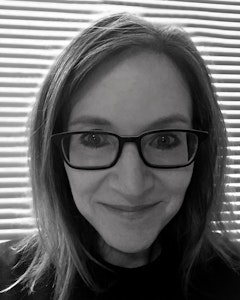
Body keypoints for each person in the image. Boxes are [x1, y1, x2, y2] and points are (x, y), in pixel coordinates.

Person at [0, 12, 240, 300]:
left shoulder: (232, 278)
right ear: (54, 155)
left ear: (199, 151)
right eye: (94, 139)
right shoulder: (7, 279)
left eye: (164, 140)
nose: (132, 186)